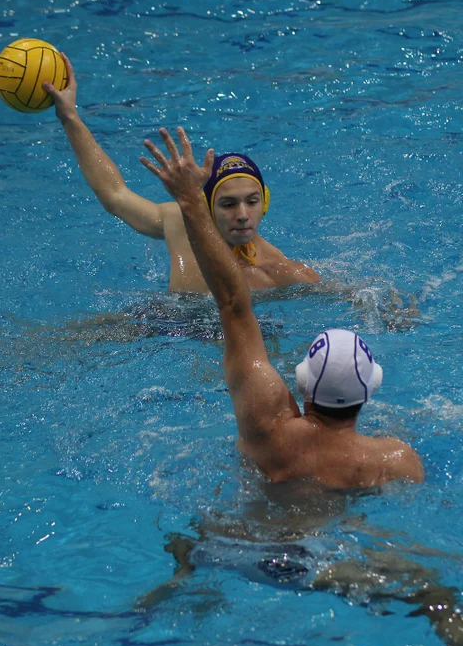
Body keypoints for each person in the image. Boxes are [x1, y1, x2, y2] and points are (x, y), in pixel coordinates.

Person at [140, 126, 424, 488]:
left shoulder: (265, 428)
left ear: (300, 382)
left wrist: (188, 200)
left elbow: (232, 304)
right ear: (372, 388)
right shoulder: (396, 461)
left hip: (235, 536)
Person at [44, 55, 320, 294]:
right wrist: (69, 116)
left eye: (252, 201)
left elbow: (341, 296)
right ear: (206, 208)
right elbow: (115, 196)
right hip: (164, 322)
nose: (243, 214)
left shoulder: (279, 273)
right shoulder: (180, 222)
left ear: (265, 202)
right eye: (228, 203)